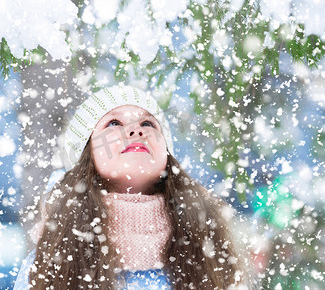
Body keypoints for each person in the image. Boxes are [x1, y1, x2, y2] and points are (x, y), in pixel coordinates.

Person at [14, 85, 252, 289]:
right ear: (85, 153)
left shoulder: (207, 242)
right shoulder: (54, 257)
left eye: (148, 123)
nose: (136, 130)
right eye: (114, 122)